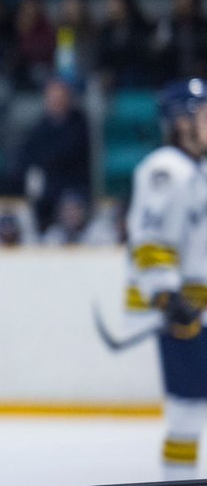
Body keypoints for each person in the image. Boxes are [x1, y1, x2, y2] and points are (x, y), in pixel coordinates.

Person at [123, 78, 207, 480]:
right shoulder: (164, 170)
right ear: (182, 122)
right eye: (203, 112)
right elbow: (151, 238)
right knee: (187, 412)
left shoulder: (198, 170)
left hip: (200, 311)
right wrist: (166, 296)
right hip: (184, 315)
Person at [17, 76, 91, 230]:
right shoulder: (40, 126)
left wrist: (46, 160)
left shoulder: (79, 123)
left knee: (70, 203)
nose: (55, 102)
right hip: (48, 188)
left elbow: (67, 153)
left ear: (68, 99)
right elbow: (28, 156)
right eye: (51, 98)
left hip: (72, 185)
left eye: (59, 97)